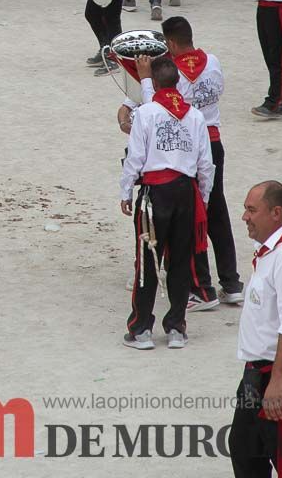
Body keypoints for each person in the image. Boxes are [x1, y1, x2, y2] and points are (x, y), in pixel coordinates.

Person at [120, 55, 214, 350]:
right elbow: (206, 164)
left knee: (148, 262)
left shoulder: (146, 113)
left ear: (156, 83)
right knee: (181, 261)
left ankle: (141, 329)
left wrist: (125, 192)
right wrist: (204, 197)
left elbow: (135, 158)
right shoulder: (196, 116)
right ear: (177, 82)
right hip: (186, 193)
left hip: (154, 195)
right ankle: (176, 328)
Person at [229, 181, 282, 477]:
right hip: (255, 375)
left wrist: (279, 381)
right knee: (244, 448)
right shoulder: (269, 253)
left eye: (251, 210)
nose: (245, 217)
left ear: (276, 213)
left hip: (280, 378)